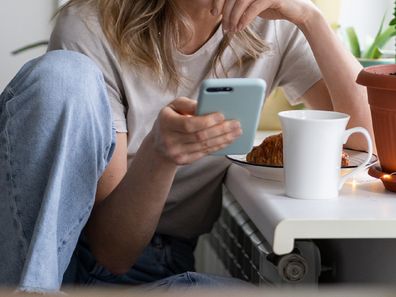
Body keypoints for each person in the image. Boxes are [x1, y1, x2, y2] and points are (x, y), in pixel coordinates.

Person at [0, 0, 374, 292]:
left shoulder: (272, 23)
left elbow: (368, 137)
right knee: (62, 77)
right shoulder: (91, 24)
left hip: (146, 272)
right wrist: (159, 155)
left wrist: (309, 17)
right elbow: (110, 251)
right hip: (46, 250)